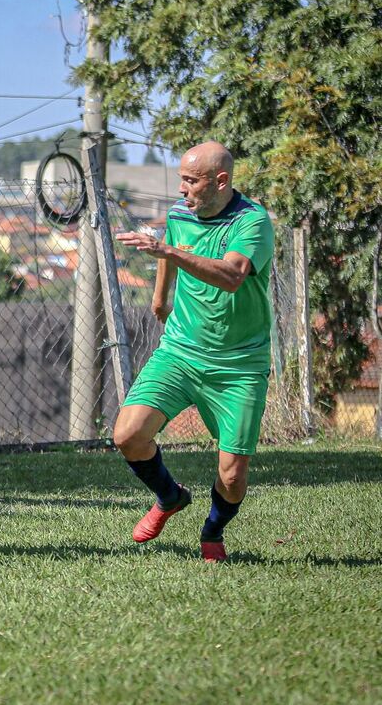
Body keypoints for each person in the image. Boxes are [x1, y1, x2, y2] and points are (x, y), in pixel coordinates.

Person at [113, 140, 274, 563]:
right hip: (181, 351)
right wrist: (160, 298)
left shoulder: (252, 222)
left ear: (220, 181)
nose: (182, 189)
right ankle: (170, 497)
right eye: (180, 179)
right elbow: (171, 245)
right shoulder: (181, 215)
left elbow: (233, 275)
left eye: (191, 180)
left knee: (233, 476)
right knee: (128, 435)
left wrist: (167, 251)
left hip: (239, 365)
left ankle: (213, 530)